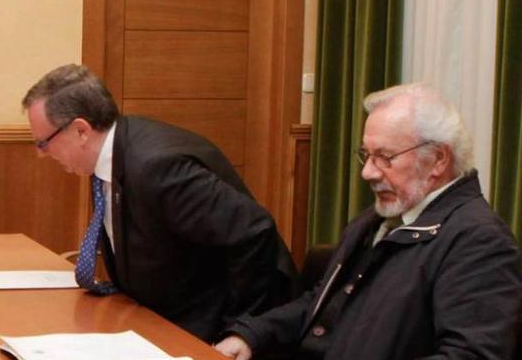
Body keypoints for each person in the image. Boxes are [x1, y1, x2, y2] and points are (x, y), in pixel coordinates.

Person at [218, 83, 522, 360]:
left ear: (438, 160)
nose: (368, 173)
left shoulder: (479, 241)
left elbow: (472, 356)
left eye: (385, 157)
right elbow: (322, 305)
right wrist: (252, 335)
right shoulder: (382, 217)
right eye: (367, 155)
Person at [22, 64, 296, 346]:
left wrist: (244, 330)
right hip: (158, 318)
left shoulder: (156, 167)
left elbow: (253, 231)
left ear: (81, 130)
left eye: (43, 143)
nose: (42, 154)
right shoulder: (109, 158)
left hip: (210, 328)